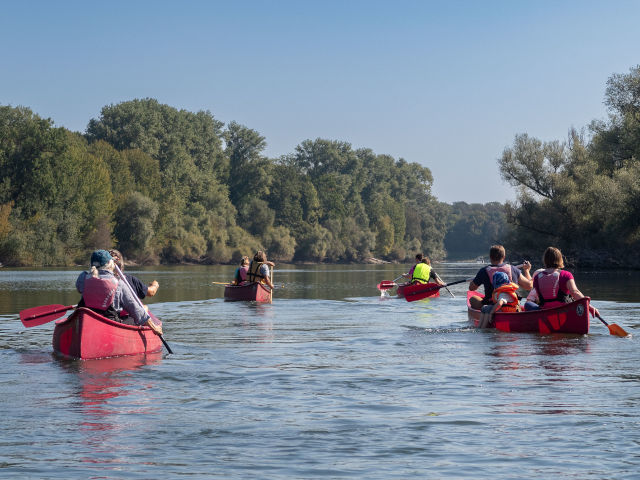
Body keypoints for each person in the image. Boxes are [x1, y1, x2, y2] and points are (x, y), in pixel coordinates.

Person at [75, 249, 162, 335]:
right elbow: (136, 309)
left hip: (87, 320)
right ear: (110, 263)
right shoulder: (118, 283)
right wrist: (154, 327)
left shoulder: (82, 278)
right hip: (109, 325)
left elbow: (80, 288)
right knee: (138, 314)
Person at [523, 246, 600, 317]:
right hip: (564, 310)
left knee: (527, 304)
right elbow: (575, 292)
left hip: (545, 311)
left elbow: (538, 298)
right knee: (574, 299)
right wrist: (589, 307)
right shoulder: (566, 275)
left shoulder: (537, 277)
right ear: (560, 259)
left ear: (545, 260)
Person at [468, 244, 532, 311]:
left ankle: (488, 310)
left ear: (490, 257)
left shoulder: (483, 271)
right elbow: (529, 286)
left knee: (472, 299)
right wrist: (527, 270)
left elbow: (471, 288)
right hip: (511, 305)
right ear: (504, 257)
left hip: (492, 304)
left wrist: (475, 280)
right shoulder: (513, 269)